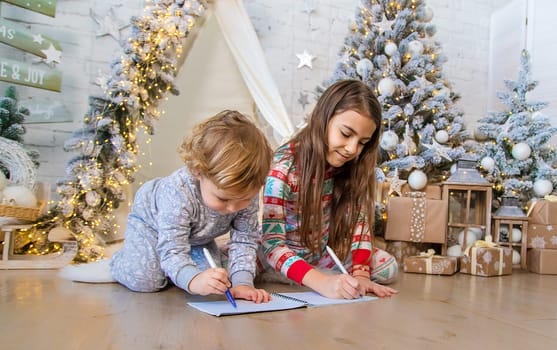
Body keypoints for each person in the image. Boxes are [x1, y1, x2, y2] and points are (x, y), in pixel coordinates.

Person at [61, 110, 273, 303]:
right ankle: (119, 262)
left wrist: (242, 283)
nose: (233, 208)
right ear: (198, 172)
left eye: (244, 199)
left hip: (197, 238)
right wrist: (193, 280)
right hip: (151, 227)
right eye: (223, 199)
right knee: (146, 280)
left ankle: (175, 270)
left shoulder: (246, 191)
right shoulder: (177, 192)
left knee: (214, 281)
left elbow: (245, 240)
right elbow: (172, 248)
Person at [259, 79, 398, 299]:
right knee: (231, 267)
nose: (352, 149)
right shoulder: (283, 168)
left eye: (362, 142)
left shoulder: (350, 168)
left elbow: (359, 225)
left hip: (319, 255)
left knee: (387, 266)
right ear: (323, 119)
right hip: (277, 254)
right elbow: (272, 245)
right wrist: (322, 283)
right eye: (345, 134)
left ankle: (307, 274)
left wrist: (361, 275)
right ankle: (296, 275)